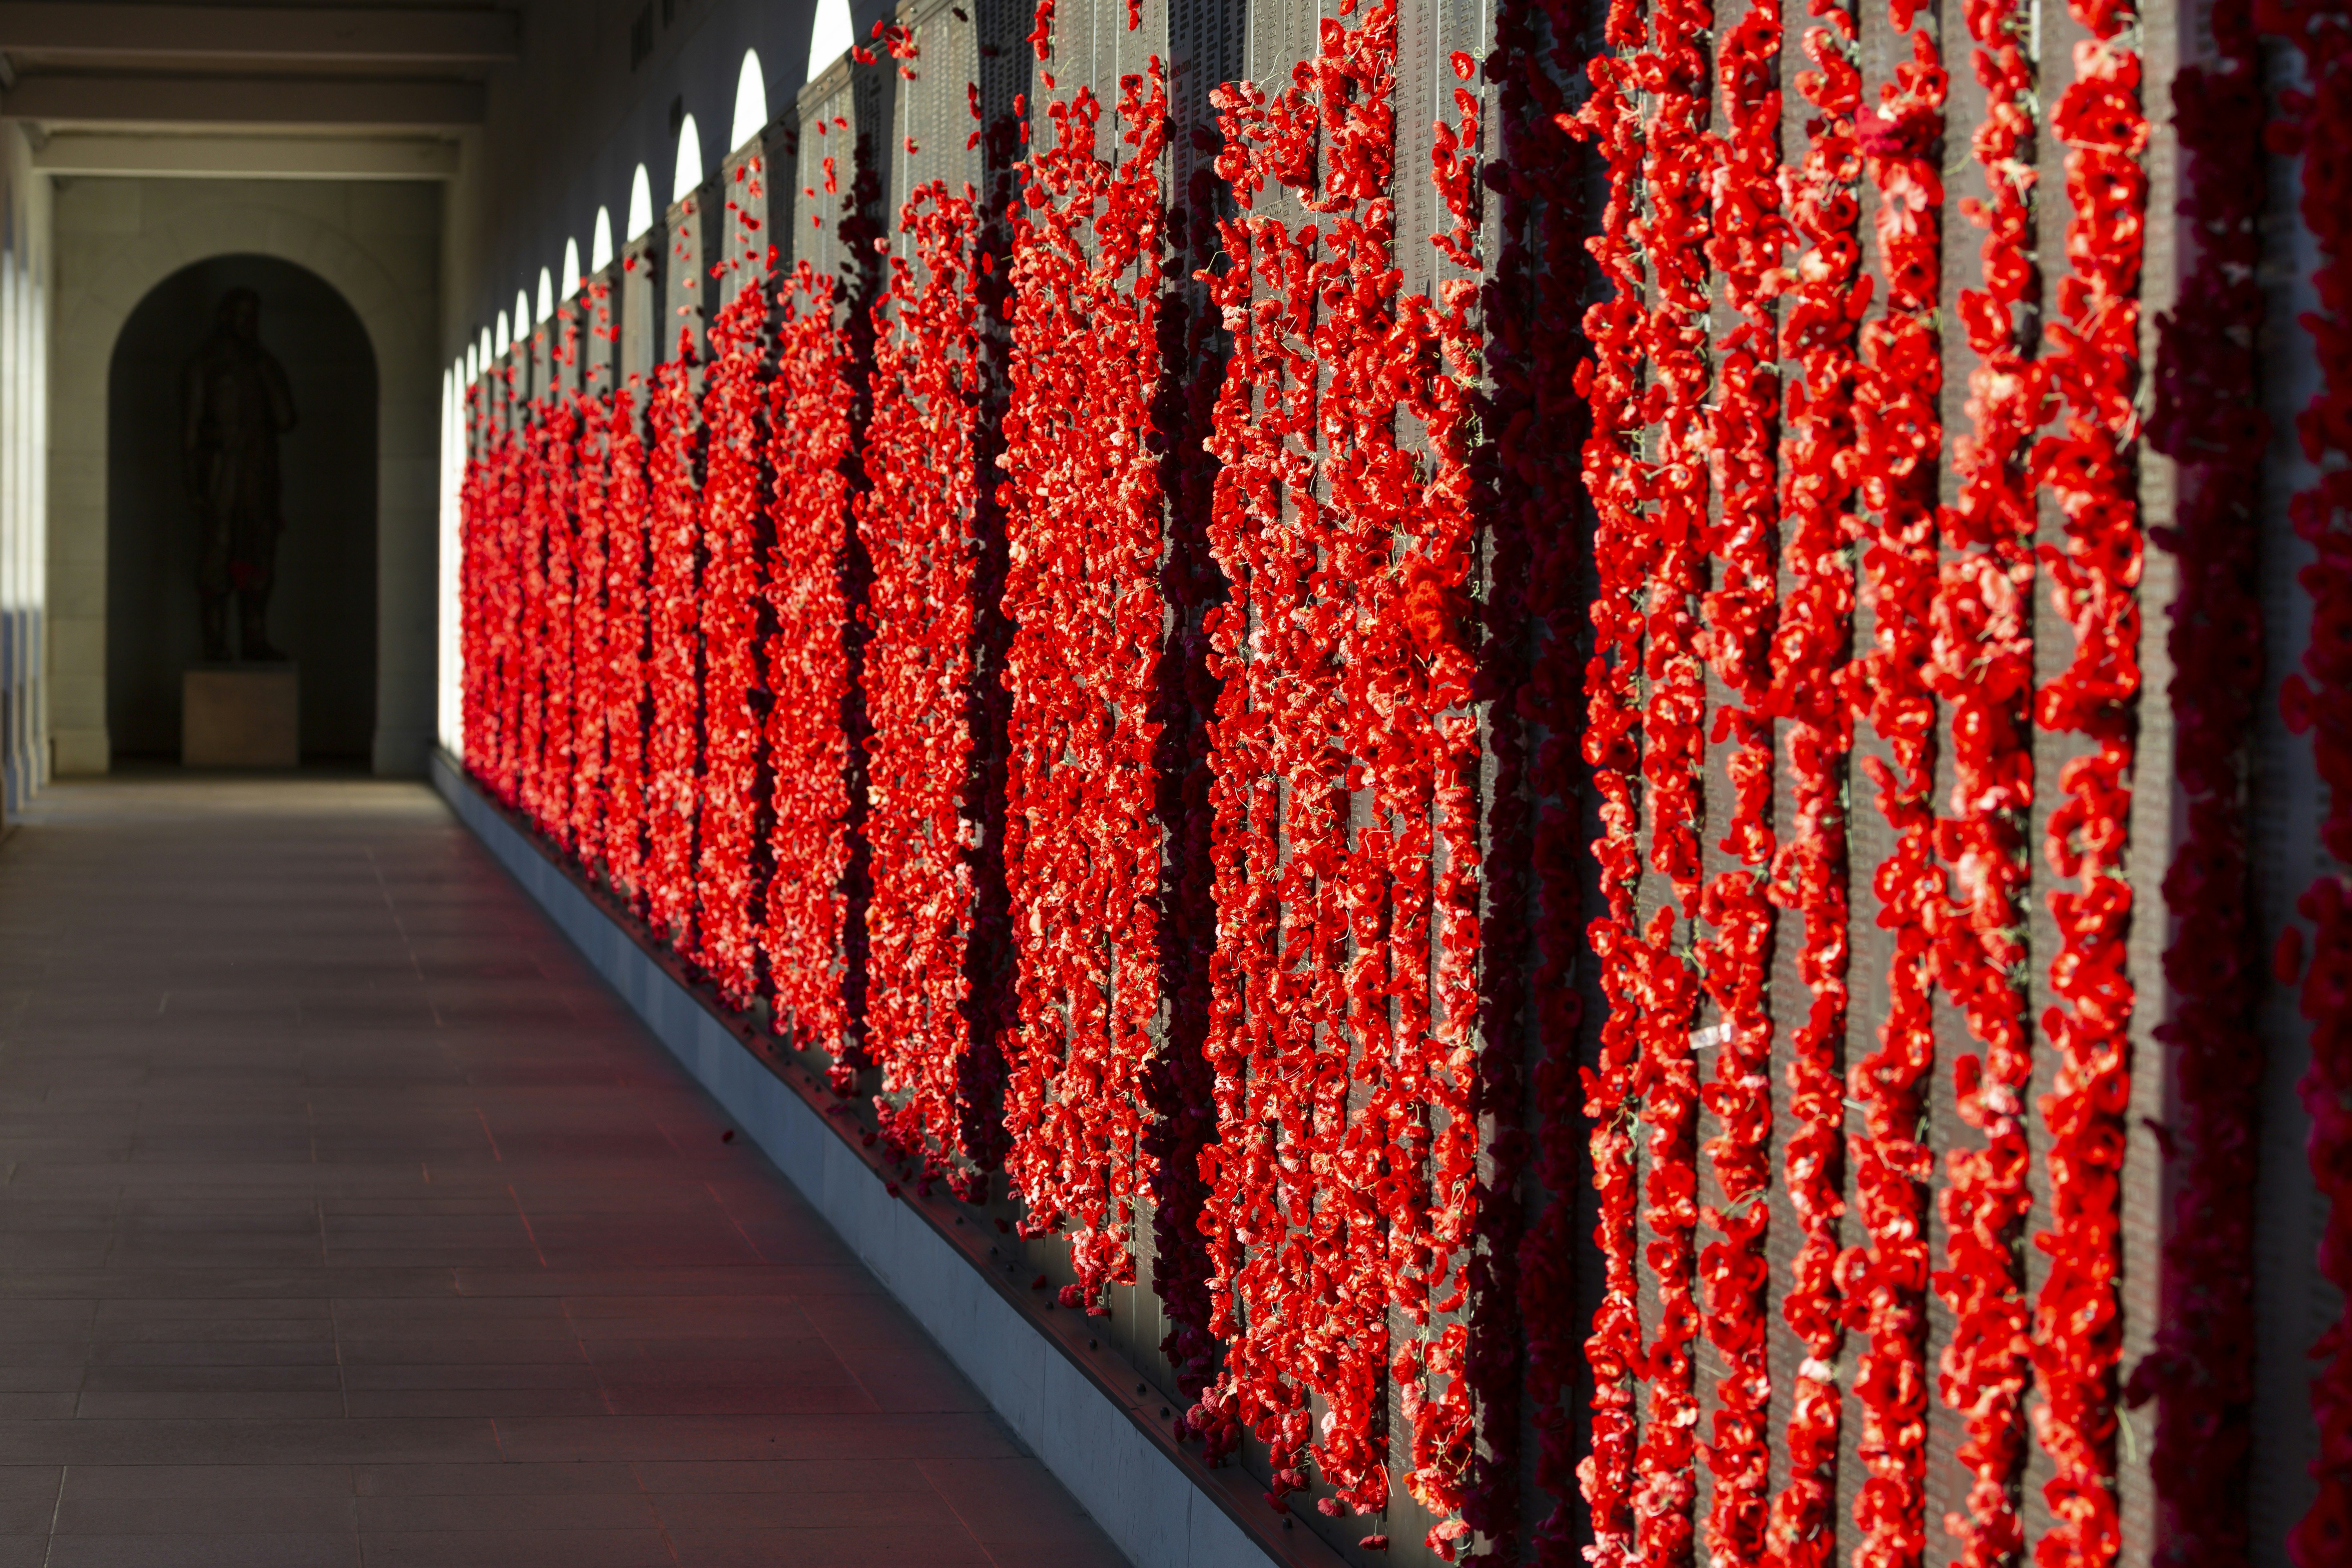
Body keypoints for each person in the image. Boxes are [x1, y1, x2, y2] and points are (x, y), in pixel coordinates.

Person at [182, 287, 296, 661]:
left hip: (258, 476)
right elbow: (190, 430)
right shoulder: (206, 364)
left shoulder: (265, 363)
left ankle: (255, 638)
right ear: (226, 318)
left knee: (260, 556)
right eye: (243, 316)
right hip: (221, 476)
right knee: (216, 557)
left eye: (254, 316)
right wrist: (195, 485)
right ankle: (214, 642)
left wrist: (264, 371)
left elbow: (285, 418)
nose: (250, 324)